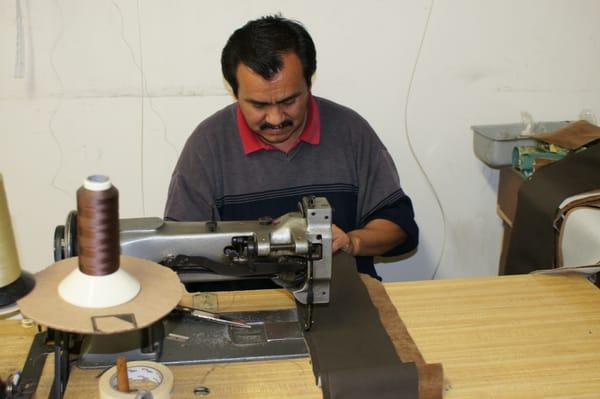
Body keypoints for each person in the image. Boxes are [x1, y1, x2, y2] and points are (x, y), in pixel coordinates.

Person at [165, 15, 418, 280]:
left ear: (309, 83)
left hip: (342, 301)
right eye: (259, 105)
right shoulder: (208, 145)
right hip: (241, 308)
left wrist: (351, 242)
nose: (275, 119)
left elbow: (400, 227)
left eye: (289, 101)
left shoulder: (350, 132)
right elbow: (179, 250)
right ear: (235, 92)